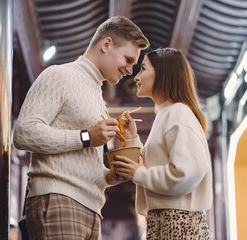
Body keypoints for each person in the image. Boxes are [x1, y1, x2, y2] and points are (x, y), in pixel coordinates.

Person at [13, 16, 149, 240]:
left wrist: (109, 177)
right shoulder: (60, 75)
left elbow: (79, 161)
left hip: (91, 208)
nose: (130, 70)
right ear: (106, 45)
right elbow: (24, 133)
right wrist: (86, 136)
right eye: (128, 59)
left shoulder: (97, 95)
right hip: (59, 199)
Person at [112, 48, 212, 239]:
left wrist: (140, 174)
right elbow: (157, 164)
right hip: (169, 220)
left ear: (163, 74)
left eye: (143, 69)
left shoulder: (178, 113)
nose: (136, 77)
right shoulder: (167, 113)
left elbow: (188, 171)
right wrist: (133, 138)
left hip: (178, 222)